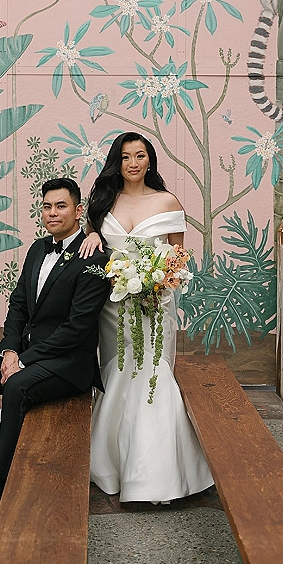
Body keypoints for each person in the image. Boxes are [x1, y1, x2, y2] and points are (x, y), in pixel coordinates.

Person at [0, 177, 110, 545]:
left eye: (61, 206)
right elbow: (18, 306)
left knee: (15, 386)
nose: (52, 213)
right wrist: (10, 351)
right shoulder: (36, 249)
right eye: (47, 206)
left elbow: (77, 328)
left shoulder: (95, 259)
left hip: (67, 363)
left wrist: (24, 362)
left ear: (78, 211)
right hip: (27, 354)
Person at [80, 132, 213, 503]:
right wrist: (90, 236)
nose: (133, 163)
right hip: (113, 307)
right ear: (117, 163)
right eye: (125, 157)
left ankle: (155, 475)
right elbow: (94, 239)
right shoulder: (104, 202)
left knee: (152, 373)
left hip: (155, 304)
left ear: (150, 160)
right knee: (118, 373)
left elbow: (178, 257)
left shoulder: (167, 201)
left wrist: (159, 284)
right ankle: (110, 465)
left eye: (140, 156)